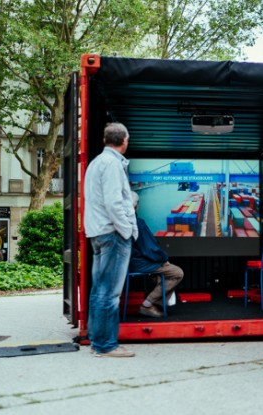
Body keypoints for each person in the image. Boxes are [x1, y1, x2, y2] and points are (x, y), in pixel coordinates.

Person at [83, 122, 138, 358]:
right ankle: (107, 345)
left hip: (97, 233)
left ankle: (97, 341)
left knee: (99, 291)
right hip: (113, 234)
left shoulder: (95, 163)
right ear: (124, 140)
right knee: (110, 293)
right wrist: (126, 230)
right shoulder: (113, 165)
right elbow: (114, 203)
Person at [129, 192, 184, 318]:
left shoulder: (122, 221)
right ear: (136, 206)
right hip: (139, 263)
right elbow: (150, 250)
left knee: (161, 275)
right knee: (177, 273)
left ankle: (156, 303)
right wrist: (164, 259)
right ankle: (147, 304)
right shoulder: (138, 223)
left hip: (130, 262)